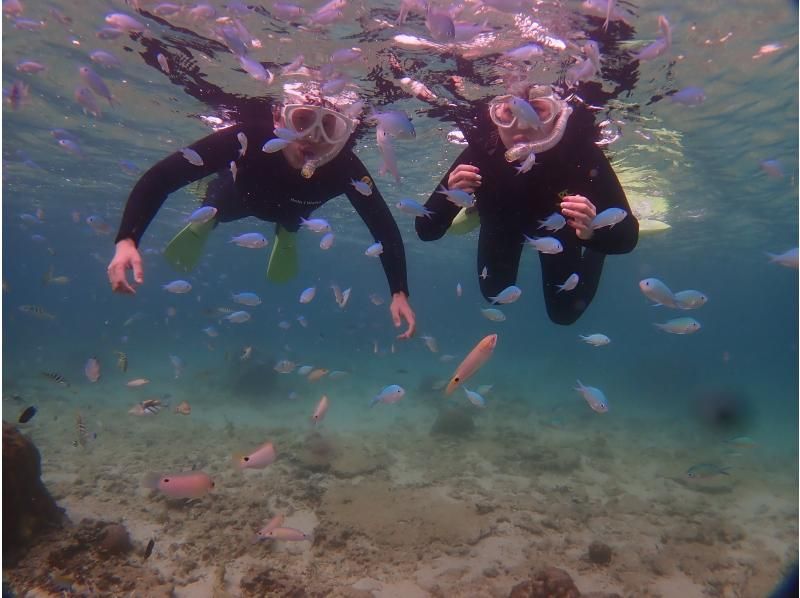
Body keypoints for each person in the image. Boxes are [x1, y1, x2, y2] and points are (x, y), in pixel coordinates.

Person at [107, 86, 416, 339]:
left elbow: (383, 226)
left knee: (293, 216)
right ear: (279, 118)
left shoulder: (345, 167)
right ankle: (210, 217)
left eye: (330, 128)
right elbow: (162, 177)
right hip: (240, 198)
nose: (312, 137)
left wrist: (399, 291)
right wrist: (127, 240)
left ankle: (285, 230)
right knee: (220, 203)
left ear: (342, 136)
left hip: (294, 211)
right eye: (303, 120)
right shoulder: (249, 139)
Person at [415, 84, 638, 325]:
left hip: (558, 230)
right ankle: (476, 207)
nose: (521, 125)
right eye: (509, 113)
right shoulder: (483, 150)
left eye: (537, 111)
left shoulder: (580, 152)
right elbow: (426, 231)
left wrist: (592, 233)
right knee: (495, 295)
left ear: (558, 116)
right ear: (495, 115)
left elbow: (628, 238)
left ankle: (596, 251)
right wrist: (452, 195)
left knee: (565, 313)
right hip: (501, 220)